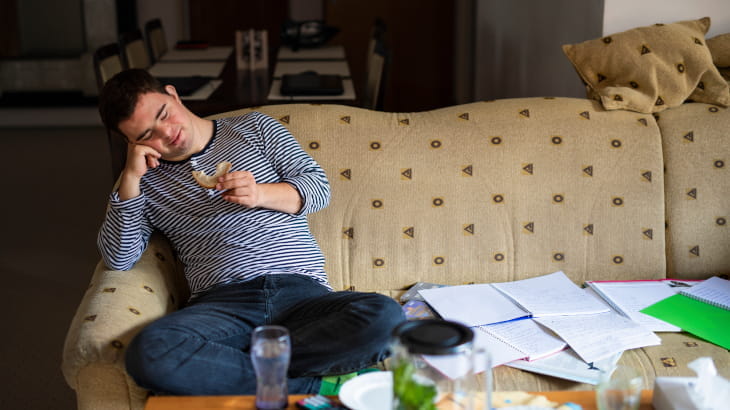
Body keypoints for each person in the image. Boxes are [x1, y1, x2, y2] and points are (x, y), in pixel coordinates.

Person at [97, 68, 405, 395]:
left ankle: (225, 368)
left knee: (386, 318)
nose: (167, 133)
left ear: (173, 94)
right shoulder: (143, 181)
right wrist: (129, 178)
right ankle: (312, 384)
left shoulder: (254, 128)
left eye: (164, 114)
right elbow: (119, 257)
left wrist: (260, 194)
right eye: (146, 135)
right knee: (149, 351)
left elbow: (319, 188)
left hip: (301, 296)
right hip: (223, 305)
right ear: (132, 143)